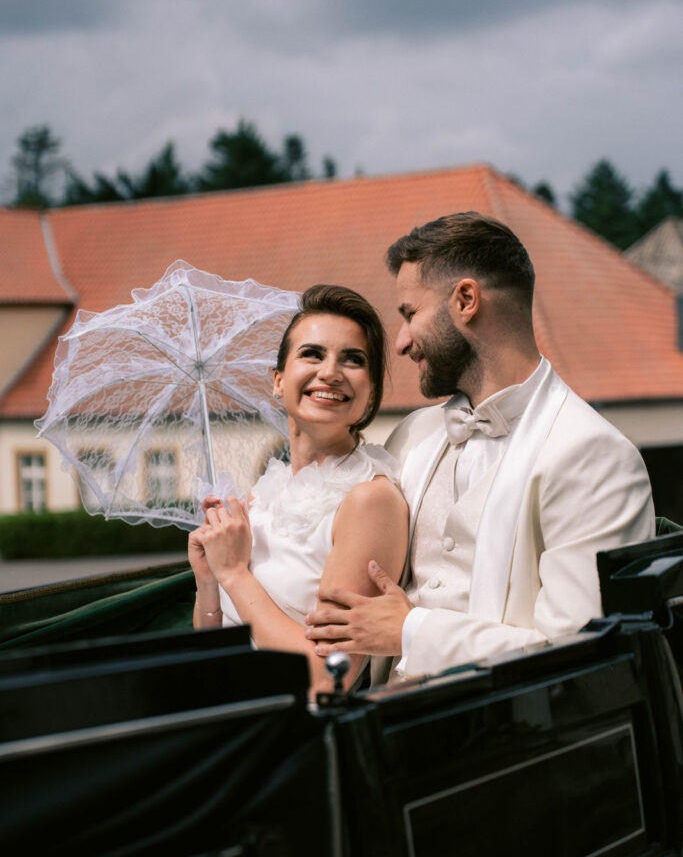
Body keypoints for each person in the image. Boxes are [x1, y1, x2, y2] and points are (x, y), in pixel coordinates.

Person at [305, 212, 655, 682]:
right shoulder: (412, 435)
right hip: (374, 727)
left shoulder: (595, 457)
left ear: (466, 300)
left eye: (410, 313)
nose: (403, 342)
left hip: (511, 743)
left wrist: (412, 631)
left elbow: (583, 656)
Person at [189, 283, 409, 693]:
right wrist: (209, 579)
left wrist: (235, 573)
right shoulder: (262, 492)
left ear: (371, 391)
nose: (330, 372)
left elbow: (329, 675)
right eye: (312, 354)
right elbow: (213, 646)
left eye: (353, 360)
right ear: (277, 380)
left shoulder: (369, 499)